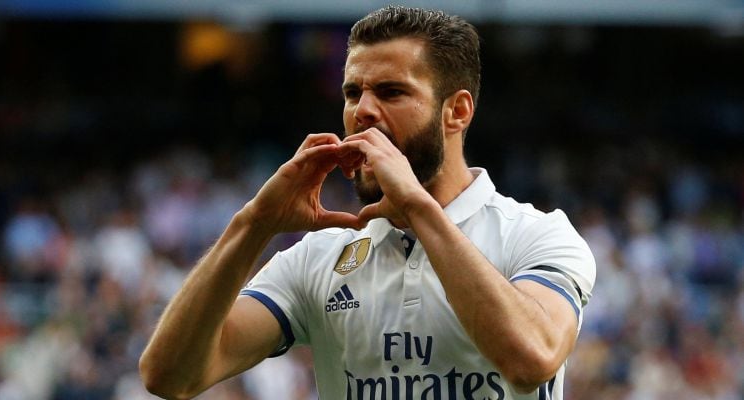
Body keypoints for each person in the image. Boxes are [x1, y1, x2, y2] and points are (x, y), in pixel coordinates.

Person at [139, 6, 596, 399]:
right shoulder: (318, 257)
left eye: (392, 92)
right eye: (353, 93)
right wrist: (253, 225)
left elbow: (532, 358)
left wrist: (417, 207)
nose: (362, 112)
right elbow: (170, 377)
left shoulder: (535, 235)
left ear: (456, 111)